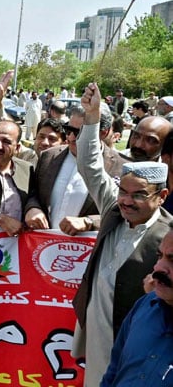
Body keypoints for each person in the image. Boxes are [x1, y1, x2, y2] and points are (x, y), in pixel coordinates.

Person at [71, 82, 173, 387]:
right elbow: (90, 166)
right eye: (123, 192)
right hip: (96, 335)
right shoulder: (113, 211)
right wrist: (91, 119)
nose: (127, 201)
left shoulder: (167, 236)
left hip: (133, 340)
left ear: (162, 196)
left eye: (139, 195)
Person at [25, 105, 129, 235]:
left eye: (80, 132)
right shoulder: (49, 156)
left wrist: (89, 222)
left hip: (88, 250)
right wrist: (33, 208)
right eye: (69, 130)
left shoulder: (122, 168)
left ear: (104, 132)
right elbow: (33, 192)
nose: (72, 137)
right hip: (44, 245)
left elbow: (125, 213)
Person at [100, 227, 173, 387]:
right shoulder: (145, 305)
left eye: (172, 260)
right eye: (159, 256)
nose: (158, 268)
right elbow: (113, 372)